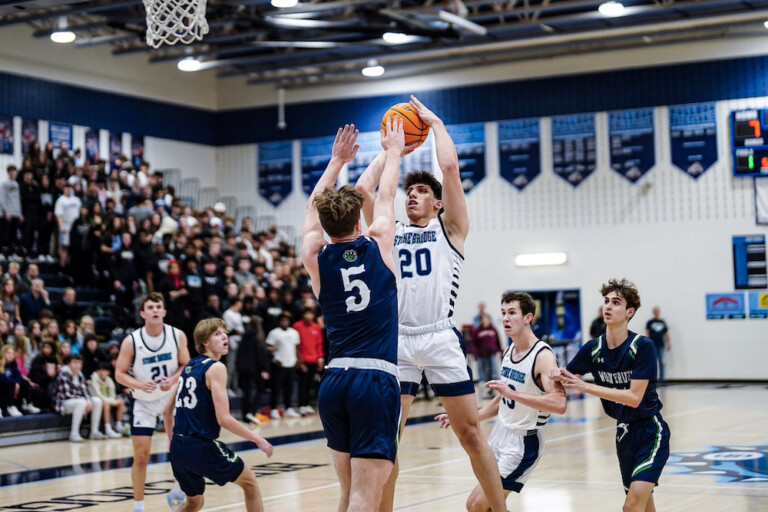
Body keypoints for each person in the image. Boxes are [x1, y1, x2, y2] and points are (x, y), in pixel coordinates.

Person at [355, 96, 506, 512]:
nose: (412, 196)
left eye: (422, 191)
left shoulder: (451, 229)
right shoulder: (390, 229)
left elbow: (451, 169)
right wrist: (392, 154)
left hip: (440, 337)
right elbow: (361, 190)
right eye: (409, 191)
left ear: (438, 203)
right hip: (397, 341)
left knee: (471, 435)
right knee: (389, 440)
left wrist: (436, 124)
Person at [302, 121, 402, 512]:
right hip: (374, 380)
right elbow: (388, 193)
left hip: (334, 381)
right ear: (359, 221)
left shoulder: (316, 256)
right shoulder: (379, 243)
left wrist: (336, 163)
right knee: (366, 495)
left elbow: (313, 209)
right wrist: (393, 152)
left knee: (347, 493)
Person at [436, 292, 566, 511]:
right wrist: (462, 418)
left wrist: (513, 394)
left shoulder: (542, 355)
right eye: (503, 313)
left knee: (477, 504)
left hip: (524, 441)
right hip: (500, 434)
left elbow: (559, 403)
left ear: (528, 318)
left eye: (512, 313)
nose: (506, 318)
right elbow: (502, 400)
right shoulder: (508, 351)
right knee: (488, 505)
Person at [550, 278, 671, 512]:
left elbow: (634, 397)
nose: (608, 306)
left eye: (616, 302)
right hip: (624, 433)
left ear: (629, 312)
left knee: (631, 505)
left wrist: (587, 387)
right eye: (606, 301)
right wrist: (553, 373)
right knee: (644, 505)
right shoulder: (593, 349)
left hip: (650, 431)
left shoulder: (641, 346)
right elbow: (564, 377)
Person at [163, 318, 274, 512]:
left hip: (178, 448)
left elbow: (166, 411)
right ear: (205, 342)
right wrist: (258, 439)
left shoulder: (189, 366)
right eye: (217, 334)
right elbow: (224, 419)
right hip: (201, 447)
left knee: (194, 503)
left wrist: (173, 441)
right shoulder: (216, 368)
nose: (224, 336)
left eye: (225, 332)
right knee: (250, 483)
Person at [115, 292, 190, 512]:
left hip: (171, 399)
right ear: (142, 313)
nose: (155, 310)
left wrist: (173, 379)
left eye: (158, 306)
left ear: (164, 312)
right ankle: (139, 507)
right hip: (144, 402)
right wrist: (139, 385)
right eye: (150, 307)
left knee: (179, 449)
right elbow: (119, 374)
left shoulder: (177, 336)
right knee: (140, 457)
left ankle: (177, 490)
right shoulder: (132, 341)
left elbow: (186, 364)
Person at [53, 354, 104, 441]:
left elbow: (85, 391)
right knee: (81, 402)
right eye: (75, 362)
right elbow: (67, 395)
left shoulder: (79, 375)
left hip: (77, 401)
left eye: (79, 363)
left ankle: (94, 431)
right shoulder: (63, 374)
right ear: (69, 364)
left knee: (97, 401)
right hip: (63, 403)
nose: (77, 365)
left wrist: (88, 400)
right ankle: (74, 433)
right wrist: (85, 401)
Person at [265, 312, 300, 419]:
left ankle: (288, 408)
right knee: (276, 388)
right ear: (279, 321)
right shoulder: (274, 333)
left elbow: (296, 347)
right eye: (282, 320)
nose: (284, 322)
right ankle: (274, 409)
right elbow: (269, 348)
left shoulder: (294, 332)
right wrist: (275, 359)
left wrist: (298, 360)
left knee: (289, 388)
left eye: (286, 320)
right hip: (279, 364)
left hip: (291, 363)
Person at [292, 307, 324, 415]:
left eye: (310, 314)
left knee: (310, 384)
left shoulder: (316, 327)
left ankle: (306, 405)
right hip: (303, 360)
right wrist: (299, 361)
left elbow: (319, 345)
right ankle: (301, 405)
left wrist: (320, 359)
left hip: (313, 360)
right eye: (306, 313)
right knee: (302, 384)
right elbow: (296, 345)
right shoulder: (297, 326)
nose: (308, 316)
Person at [89, 361, 125, 438]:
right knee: (106, 403)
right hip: (96, 401)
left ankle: (119, 425)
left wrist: (113, 401)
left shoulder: (109, 380)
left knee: (120, 401)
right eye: (100, 370)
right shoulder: (94, 378)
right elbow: (97, 394)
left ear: (108, 372)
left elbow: (112, 395)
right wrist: (112, 401)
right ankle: (108, 429)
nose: (102, 372)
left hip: (107, 400)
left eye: (104, 370)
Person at [645, 306, 670, 382]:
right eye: (654, 311)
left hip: (661, 345)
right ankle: (652, 378)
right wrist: (646, 344)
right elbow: (647, 333)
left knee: (661, 361)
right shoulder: (650, 322)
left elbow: (666, 334)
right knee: (652, 362)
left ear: (659, 312)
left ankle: (662, 378)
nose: (656, 313)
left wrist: (668, 343)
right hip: (652, 345)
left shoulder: (662, 322)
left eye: (657, 311)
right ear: (653, 312)